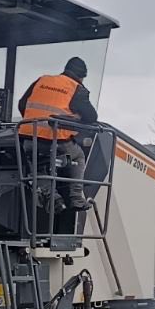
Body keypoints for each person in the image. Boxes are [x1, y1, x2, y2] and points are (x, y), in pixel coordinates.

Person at [18, 57, 98, 208]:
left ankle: (53, 199)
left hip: (28, 138)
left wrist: (35, 122)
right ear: (81, 76)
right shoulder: (76, 88)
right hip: (55, 141)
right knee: (78, 156)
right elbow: (91, 117)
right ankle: (76, 197)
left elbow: (22, 104)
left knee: (38, 164)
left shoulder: (42, 80)